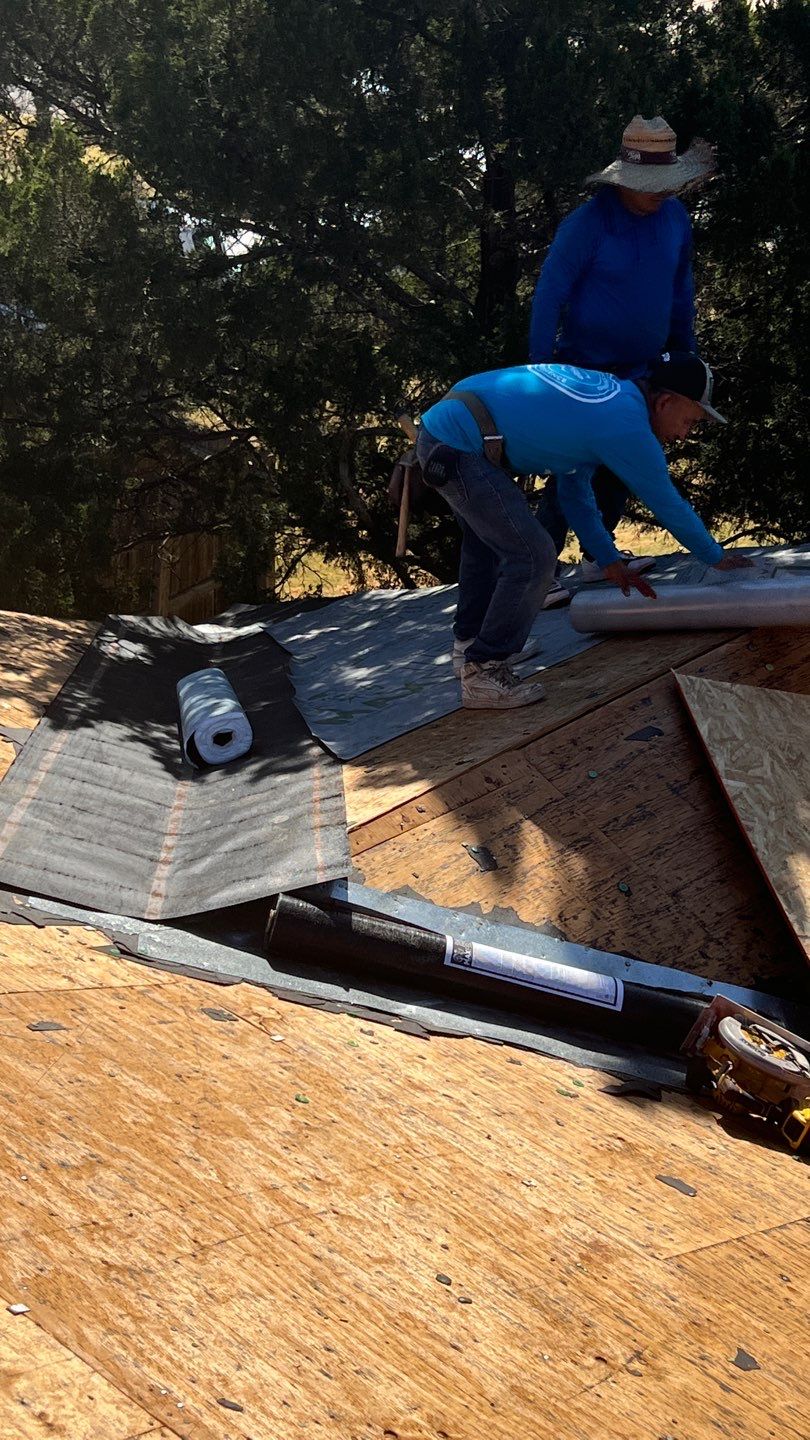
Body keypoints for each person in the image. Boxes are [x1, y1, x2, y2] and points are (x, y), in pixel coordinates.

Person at [417, 352, 751, 710]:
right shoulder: (627, 426)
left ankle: (469, 645)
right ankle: (484, 670)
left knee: (485, 547)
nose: (685, 435)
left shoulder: (612, 402)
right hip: (458, 445)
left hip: (449, 431)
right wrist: (715, 557)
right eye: (688, 422)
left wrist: (608, 559)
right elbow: (668, 503)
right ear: (665, 401)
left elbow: (574, 495)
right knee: (533, 554)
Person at [529, 114, 716, 607]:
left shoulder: (675, 220)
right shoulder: (588, 223)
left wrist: (684, 361)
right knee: (574, 467)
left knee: (626, 461)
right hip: (583, 370)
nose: (660, 193)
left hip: (645, 367)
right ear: (624, 179)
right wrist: (539, 368)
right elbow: (549, 294)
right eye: (649, 184)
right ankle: (539, 572)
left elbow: (681, 295)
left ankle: (597, 558)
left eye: (668, 183)